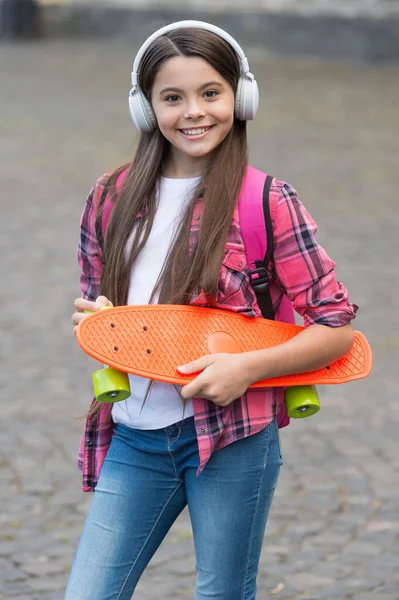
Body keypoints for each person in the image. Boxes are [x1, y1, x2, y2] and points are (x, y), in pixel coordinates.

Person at [65, 20, 357, 600]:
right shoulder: (110, 197)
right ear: (146, 108)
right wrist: (95, 322)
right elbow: (100, 304)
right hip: (135, 438)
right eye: (172, 97)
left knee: (222, 592)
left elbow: (336, 326)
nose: (193, 112)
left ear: (240, 97)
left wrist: (245, 369)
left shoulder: (266, 200)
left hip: (233, 443)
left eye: (211, 93)